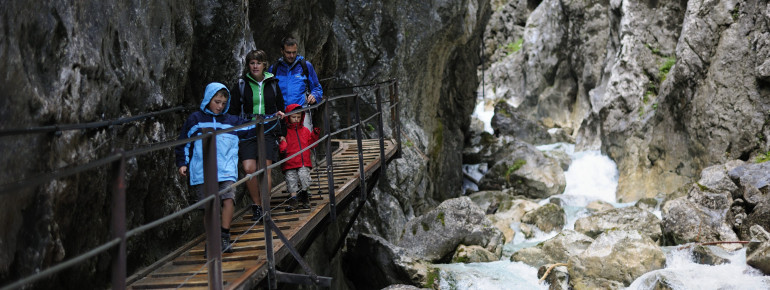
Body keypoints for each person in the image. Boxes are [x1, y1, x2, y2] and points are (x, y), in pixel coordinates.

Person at [175, 82, 255, 253]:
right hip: (202, 171)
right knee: (209, 207)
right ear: (208, 99)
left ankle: (224, 236)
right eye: (217, 102)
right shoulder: (195, 119)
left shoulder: (231, 121)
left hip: (226, 170)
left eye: (223, 103)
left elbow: (253, 126)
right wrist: (182, 163)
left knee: (228, 199)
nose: (220, 106)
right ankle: (212, 240)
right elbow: (184, 142)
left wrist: (272, 118)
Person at [228, 50, 285, 222]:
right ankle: (257, 204)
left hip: (268, 128)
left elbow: (280, 107)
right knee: (249, 169)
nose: (255, 66)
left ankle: (265, 207)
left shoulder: (273, 83)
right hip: (247, 130)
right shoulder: (241, 84)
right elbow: (233, 110)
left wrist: (282, 133)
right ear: (248, 65)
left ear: (264, 65)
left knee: (264, 168)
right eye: (252, 63)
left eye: (258, 63)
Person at [269, 36, 323, 131]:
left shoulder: (305, 66)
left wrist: (315, 95)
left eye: (294, 52)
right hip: (282, 114)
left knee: (305, 140)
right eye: (288, 52)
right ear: (282, 51)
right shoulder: (274, 69)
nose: (291, 55)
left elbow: (317, 88)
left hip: (301, 113)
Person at [279, 104, 321, 211]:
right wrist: (282, 146)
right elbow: (282, 145)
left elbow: (312, 144)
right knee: (291, 180)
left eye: (298, 117)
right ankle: (293, 199)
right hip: (289, 161)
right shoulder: (285, 131)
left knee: (304, 177)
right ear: (288, 117)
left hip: (303, 161)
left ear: (302, 117)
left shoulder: (305, 130)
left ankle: (305, 195)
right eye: (293, 117)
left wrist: (315, 134)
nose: (296, 119)